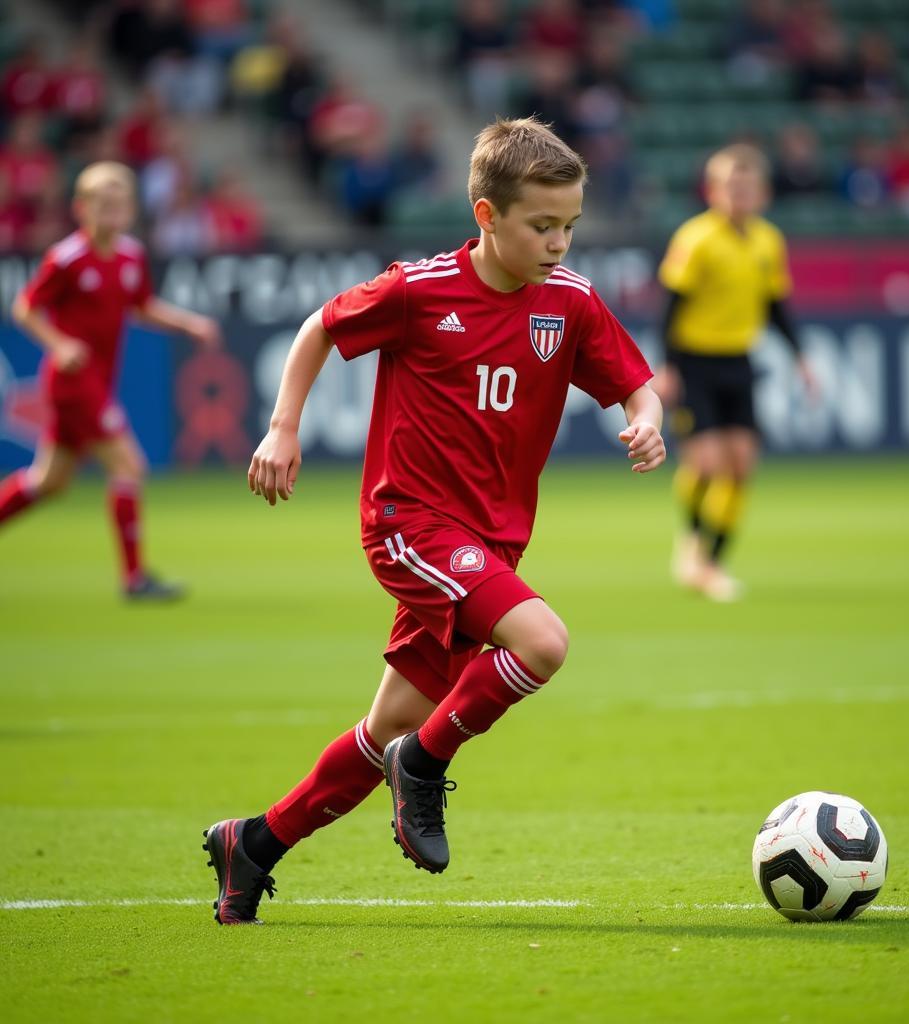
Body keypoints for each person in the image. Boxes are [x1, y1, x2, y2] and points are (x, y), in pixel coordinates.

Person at [202, 116, 665, 925]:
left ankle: (253, 844)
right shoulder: (419, 289)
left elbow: (635, 381)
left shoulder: (571, 304)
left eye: (570, 226)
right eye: (542, 225)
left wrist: (647, 417)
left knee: (380, 731)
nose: (559, 243)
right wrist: (283, 426)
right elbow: (319, 328)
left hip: (488, 544)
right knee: (542, 643)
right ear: (487, 216)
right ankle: (425, 764)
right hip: (408, 523)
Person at [0, 161, 221, 597]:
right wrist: (59, 344)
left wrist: (189, 324)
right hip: (74, 383)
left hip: (99, 380)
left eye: (119, 204)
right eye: (102, 203)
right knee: (129, 465)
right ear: (80, 208)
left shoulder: (130, 255)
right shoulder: (67, 258)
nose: (111, 212)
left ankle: (134, 577)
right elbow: (25, 308)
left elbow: (142, 306)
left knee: (49, 482)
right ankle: (134, 578)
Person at [655, 144, 815, 602]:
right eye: (730, 186)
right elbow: (672, 305)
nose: (738, 194)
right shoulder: (696, 239)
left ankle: (712, 562)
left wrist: (801, 356)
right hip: (695, 361)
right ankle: (691, 544)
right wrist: (667, 367)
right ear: (713, 191)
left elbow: (774, 305)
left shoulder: (769, 241)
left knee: (741, 465)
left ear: (762, 193)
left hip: (739, 360)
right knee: (705, 463)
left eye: (747, 187)